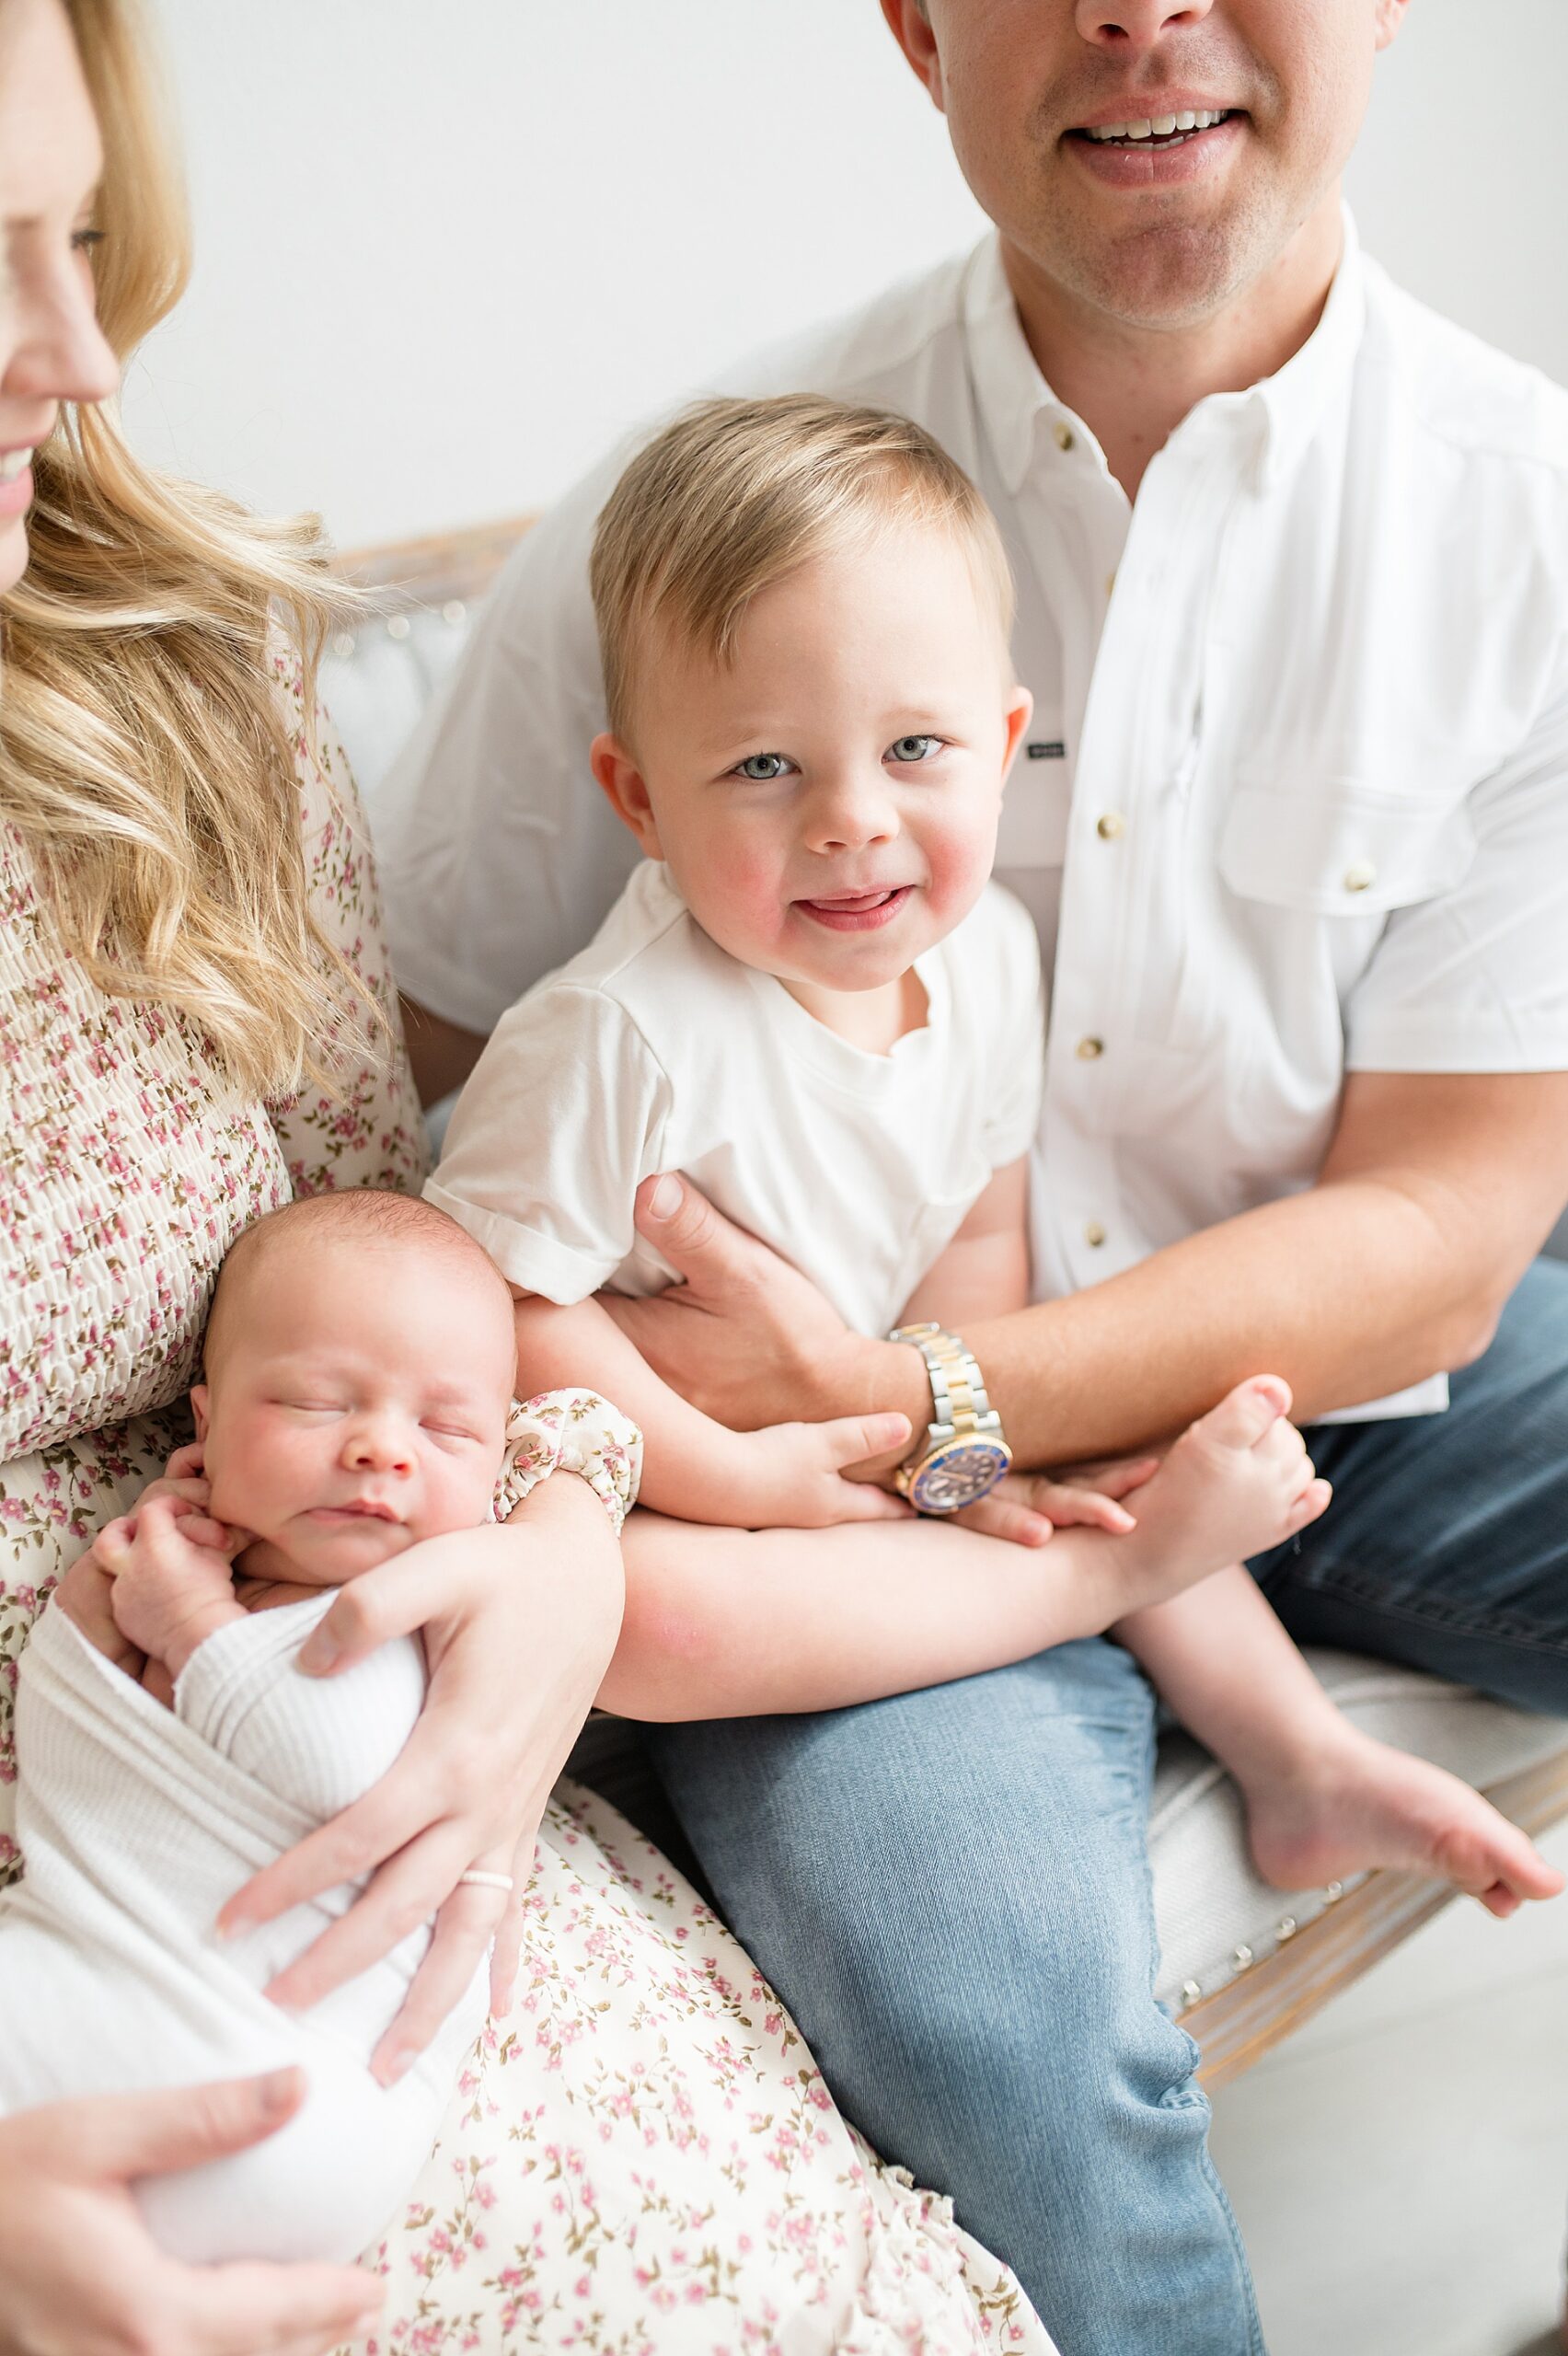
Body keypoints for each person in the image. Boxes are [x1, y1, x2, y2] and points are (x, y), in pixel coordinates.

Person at [378, 3, 1568, 2350]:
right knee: (988, 1992)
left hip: (1345, 1368)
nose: (1144, 14)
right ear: (919, 22)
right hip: (811, 1481)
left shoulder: (1517, 515)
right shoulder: (696, 506)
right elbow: (414, 1067)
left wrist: (924, 1383)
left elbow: (1440, 1235)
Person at [0, 5, 1068, 2348]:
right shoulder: (636, 1033)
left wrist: (569, 1532)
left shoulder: (172, 667)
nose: (78, 352)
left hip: (354, 1670)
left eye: (80, 238)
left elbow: (417, 1255)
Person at [431, 386, 1557, 1924]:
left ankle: (1295, 1759)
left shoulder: (987, 962)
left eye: (911, 748)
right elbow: (501, 1309)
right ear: (634, 794)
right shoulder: (618, 1034)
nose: (849, 822)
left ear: (1003, 745)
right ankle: (1106, 1580)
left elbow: (972, 1248)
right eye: (762, 768)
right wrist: (738, 1470)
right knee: (665, 1621)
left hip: (876, 1405)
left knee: (1077, 1446)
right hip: (649, 1478)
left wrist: (951, 1442)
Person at [1, 1190, 638, 2268]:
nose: (382, 1450)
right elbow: (59, 1747)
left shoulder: (427, 1624)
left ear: (498, 1469)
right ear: (203, 1428)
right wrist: (105, 1603)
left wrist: (191, 1625)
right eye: (311, 1404)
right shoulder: (202, 1589)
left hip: (285, 2086)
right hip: (108, 1976)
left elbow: (335, 1773)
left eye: (445, 1428)